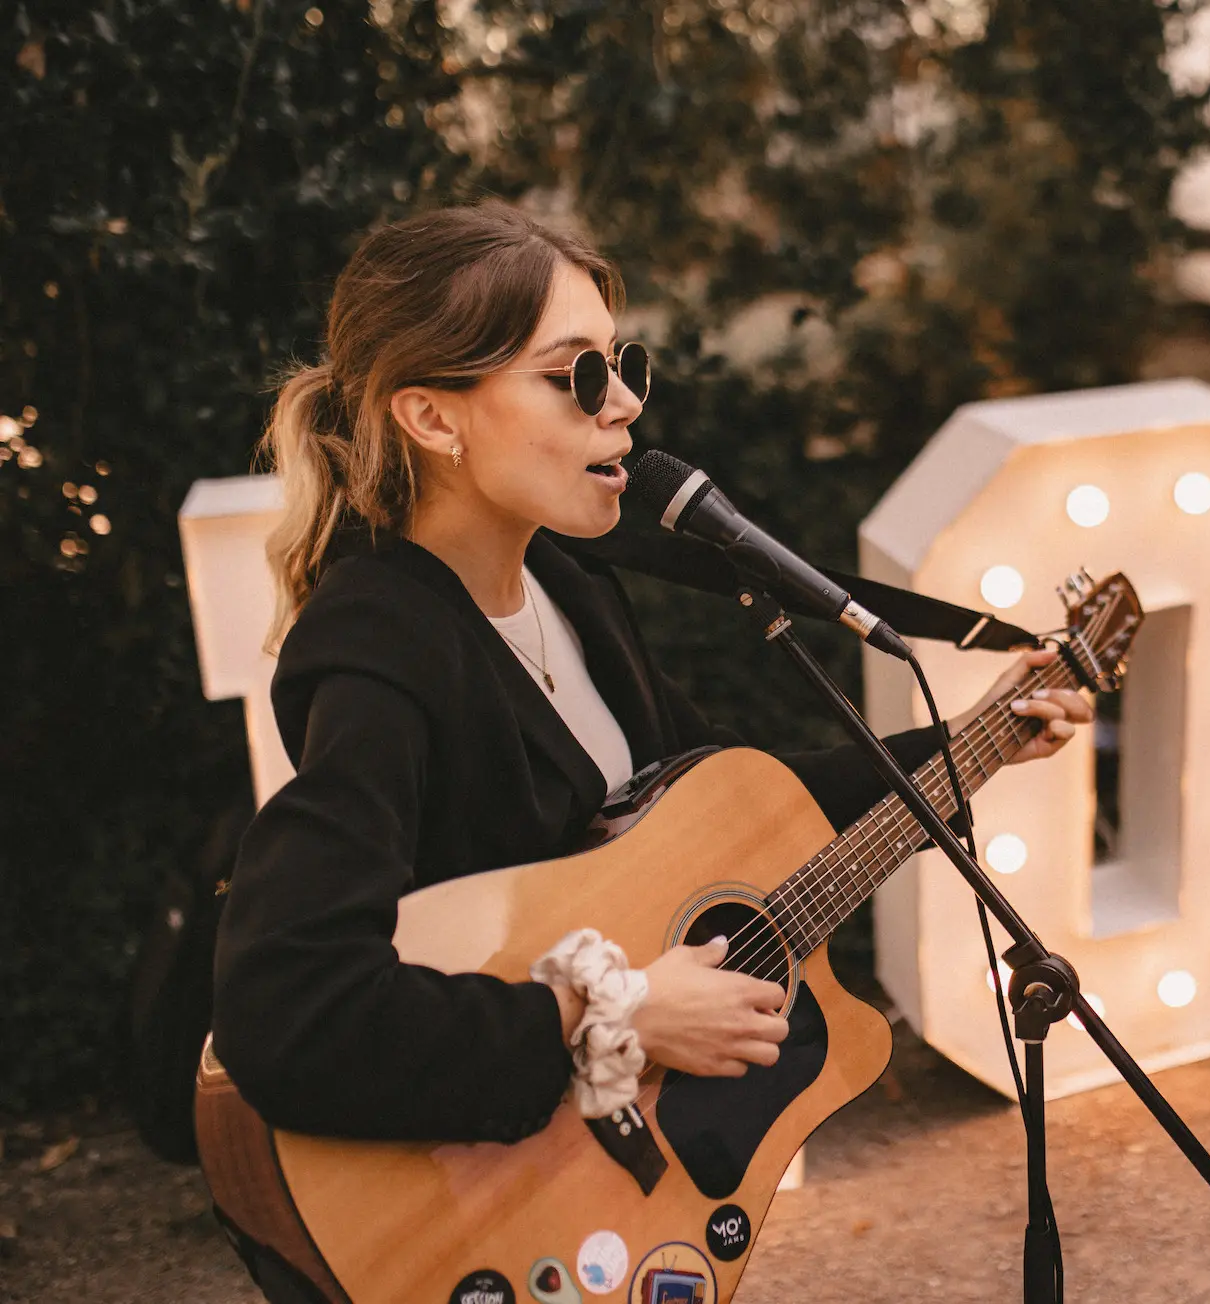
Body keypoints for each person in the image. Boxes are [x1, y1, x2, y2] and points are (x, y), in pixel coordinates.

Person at [211, 201, 1092, 1146]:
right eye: (576, 376)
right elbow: (288, 1014)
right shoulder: (379, 641)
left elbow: (734, 807)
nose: (625, 403)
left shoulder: (570, 584)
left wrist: (975, 744)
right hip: (482, 1191)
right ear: (431, 417)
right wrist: (613, 1012)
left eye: (622, 365)